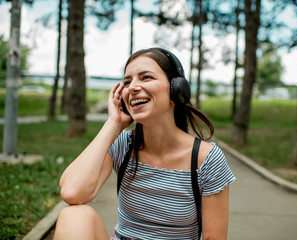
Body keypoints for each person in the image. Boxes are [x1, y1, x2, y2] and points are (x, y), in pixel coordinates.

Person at [54, 48, 236, 240]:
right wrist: (113, 123)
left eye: (146, 77)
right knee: (74, 215)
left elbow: (213, 238)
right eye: (127, 82)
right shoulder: (123, 145)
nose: (132, 87)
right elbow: (72, 192)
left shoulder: (206, 159)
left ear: (177, 90)